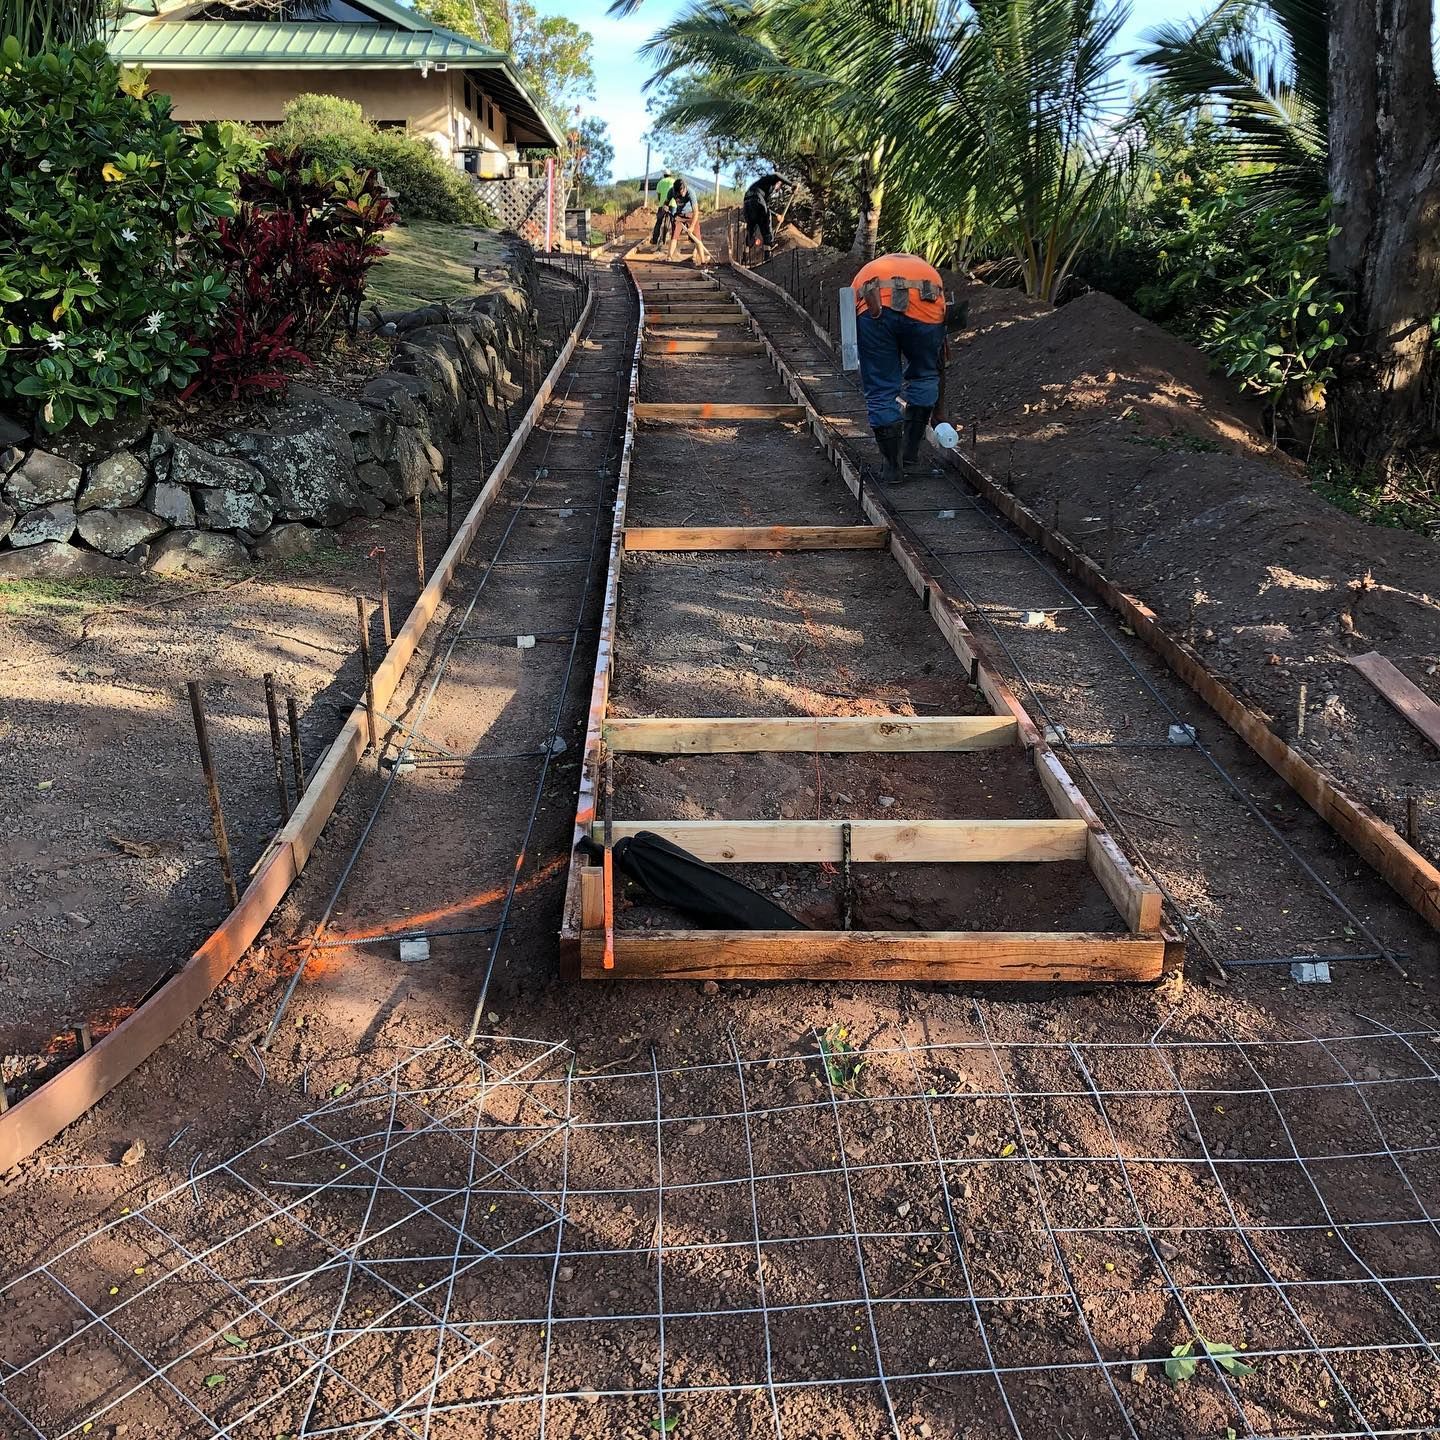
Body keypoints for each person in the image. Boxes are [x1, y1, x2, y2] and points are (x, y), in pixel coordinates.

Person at [852, 252, 965, 483]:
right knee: (925, 376)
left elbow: (851, 333)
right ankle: (910, 454)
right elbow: (938, 362)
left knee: (881, 388)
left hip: (875, 304)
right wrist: (939, 413)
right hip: (927, 307)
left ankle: (893, 467)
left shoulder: (866, 273)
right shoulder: (928, 272)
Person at [742, 173, 785, 262]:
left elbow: (765, 207)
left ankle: (745, 257)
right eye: (779, 187)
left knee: (750, 231)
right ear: (778, 183)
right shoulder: (769, 185)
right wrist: (792, 184)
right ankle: (767, 254)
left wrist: (776, 215)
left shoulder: (758, 187)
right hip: (757, 204)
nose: (777, 190)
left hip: (747, 205)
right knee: (766, 228)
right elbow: (778, 175)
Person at [667, 178, 708, 263]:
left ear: (685, 188)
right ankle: (669, 257)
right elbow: (666, 202)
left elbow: (696, 212)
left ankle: (703, 261)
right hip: (678, 216)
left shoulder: (690, 192)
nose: (682, 194)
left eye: (683, 192)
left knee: (697, 238)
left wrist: (692, 227)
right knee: (674, 235)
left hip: (691, 215)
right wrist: (665, 207)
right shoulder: (671, 191)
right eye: (679, 193)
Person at [649, 169, 676, 248]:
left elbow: (659, 194)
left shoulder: (660, 182)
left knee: (659, 222)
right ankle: (674, 239)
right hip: (672, 204)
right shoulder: (674, 181)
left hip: (662, 205)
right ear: (670, 175)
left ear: (664, 175)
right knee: (673, 222)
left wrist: (661, 202)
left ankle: (654, 240)